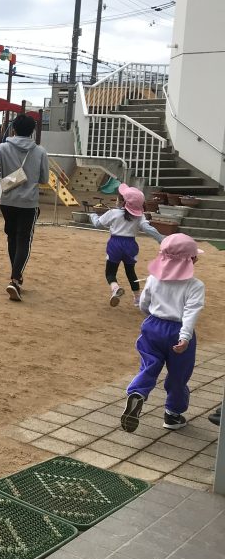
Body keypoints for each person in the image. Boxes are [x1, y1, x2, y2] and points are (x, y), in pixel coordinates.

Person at [120, 233, 204, 433]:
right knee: (178, 375)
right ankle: (172, 415)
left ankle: (137, 393)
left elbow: (144, 303)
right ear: (192, 260)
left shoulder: (153, 278)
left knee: (149, 365)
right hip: (178, 331)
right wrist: (185, 337)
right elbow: (191, 313)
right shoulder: (195, 285)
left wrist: (152, 318)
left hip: (152, 327)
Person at [0, 114, 50, 301]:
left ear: (13, 129)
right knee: (24, 239)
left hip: (7, 200)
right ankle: (15, 278)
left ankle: (15, 276)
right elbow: (44, 179)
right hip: (29, 203)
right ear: (32, 131)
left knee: (12, 237)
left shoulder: (3, 148)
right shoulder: (40, 151)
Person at [89, 183, 162, 307]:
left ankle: (115, 288)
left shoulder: (113, 213)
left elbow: (97, 224)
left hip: (115, 244)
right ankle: (137, 298)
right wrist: (161, 239)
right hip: (130, 245)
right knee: (130, 272)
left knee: (110, 272)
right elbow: (147, 228)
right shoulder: (140, 216)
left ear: (123, 202)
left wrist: (93, 215)